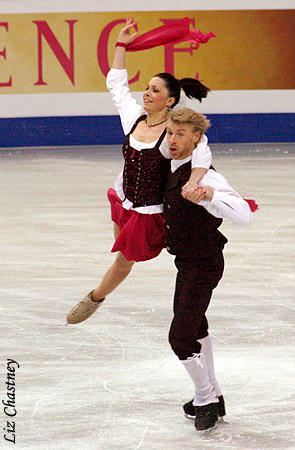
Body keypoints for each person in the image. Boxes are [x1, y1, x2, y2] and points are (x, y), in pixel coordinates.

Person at [66, 17, 212, 324]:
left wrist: (196, 180)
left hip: (149, 210)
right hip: (124, 198)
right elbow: (117, 84)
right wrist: (121, 44)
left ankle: (94, 298)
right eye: (146, 87)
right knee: (120, 249)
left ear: (169, 100)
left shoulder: (175, 130)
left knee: (123, 262)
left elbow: (202, 151)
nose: (146, 93)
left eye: (154, 90)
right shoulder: (134, 117)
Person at [163, 108, 252, 434]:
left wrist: (210, 194)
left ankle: (205, 400)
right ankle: (215, 395)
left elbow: (244, 215)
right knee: (196, 327)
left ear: (195, 138)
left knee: (180, 337)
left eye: (181, 134)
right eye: (171, 133)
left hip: (204, 262)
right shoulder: (175, 162)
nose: (172, 140)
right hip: (186, 261)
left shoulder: (207, 177)